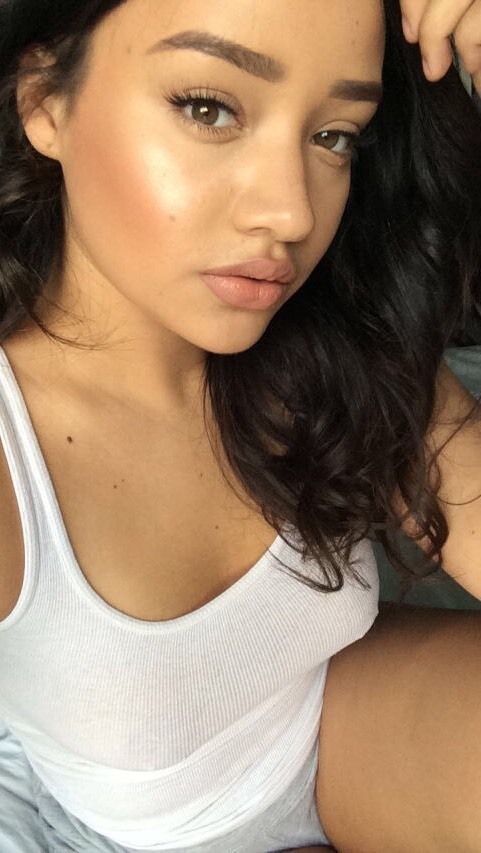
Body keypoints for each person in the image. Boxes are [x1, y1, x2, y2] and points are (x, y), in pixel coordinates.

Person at [0, 0, 480, 851]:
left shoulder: (340, 336)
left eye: (333, 136)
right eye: (208, 108)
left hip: (340, 719)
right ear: (45, 101)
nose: (291, 214)